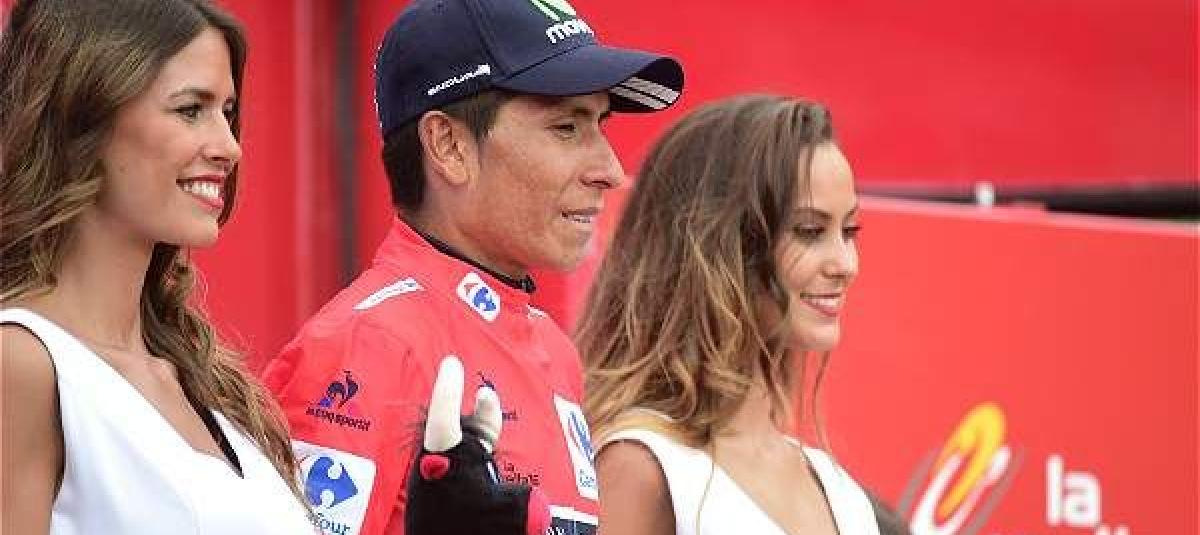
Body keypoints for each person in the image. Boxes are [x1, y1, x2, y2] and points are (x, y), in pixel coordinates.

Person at [258, 0, 684, 533]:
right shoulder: (368, 343)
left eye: (600, 124)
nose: (610, 170)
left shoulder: (553, 349)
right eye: (566, 127)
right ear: (449, 146)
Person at [0, 1, 313, 533]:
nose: (229, 147)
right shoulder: (22, 364)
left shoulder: (202, 381)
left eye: (228, 112)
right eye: (190, 109)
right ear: (84, 117)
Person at [578, 95, 882, 534]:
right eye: (810, 231)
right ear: (718, 243)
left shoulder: (839, 490)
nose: (845, 264)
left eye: (849, 230)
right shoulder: (644, 467)